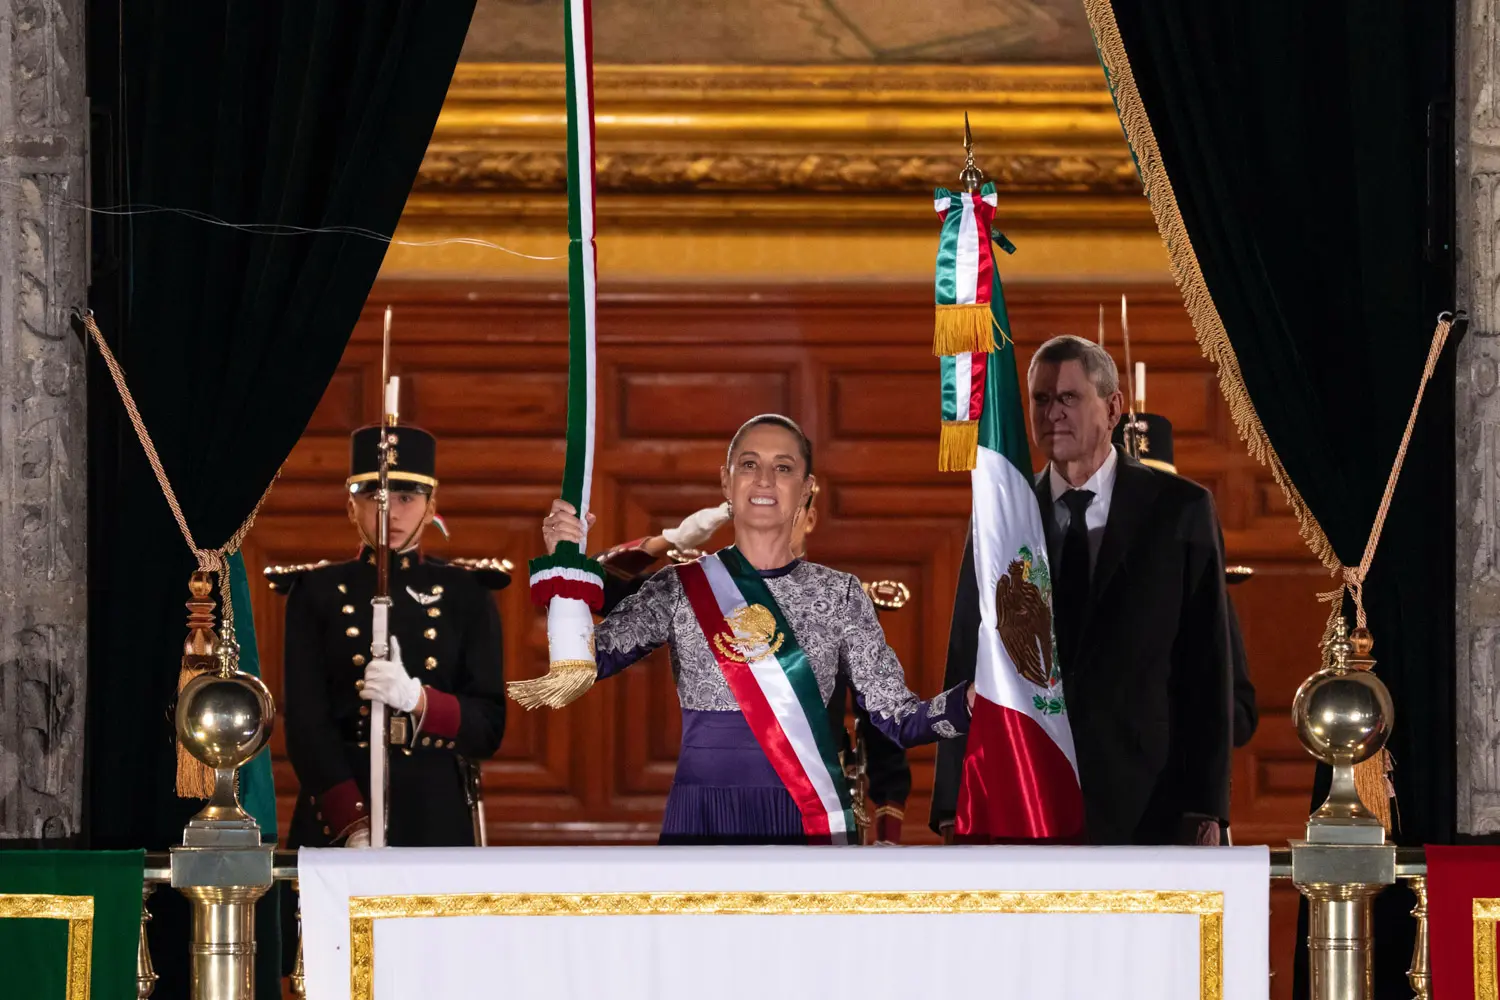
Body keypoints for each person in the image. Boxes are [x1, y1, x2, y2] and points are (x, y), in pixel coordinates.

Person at [530, 413, 969, 845]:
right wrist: (563, 561)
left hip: (806, 817)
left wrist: (975, 699)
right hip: (702, 816)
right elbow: (580, 666)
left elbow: (898, 719)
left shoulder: (840, 594)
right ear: (726, 481)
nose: (764, 479)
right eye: (749, 464)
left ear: (807, 489)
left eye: (783, 467)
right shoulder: (681, 588)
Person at [931, 336, 1232, 846]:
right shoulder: (1004, 515)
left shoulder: (1178, 509)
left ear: (1112, 407)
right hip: (1025, 792)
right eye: (1041, 400)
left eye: (1068, 398)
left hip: (1145, 800)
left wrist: (1206, 806)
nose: (1053, 414)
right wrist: (950, 798)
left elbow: (1207, 666)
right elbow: (967, 655)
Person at [595, 485, 915, 844]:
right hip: (720, 801)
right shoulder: (702, 589)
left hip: (813, 803)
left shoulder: (837, 598)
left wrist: (889, 829)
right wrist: (666, 539)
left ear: (809, 519)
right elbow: (598, 586)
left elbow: (879, 720)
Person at [272, 422, 508, 849]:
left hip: (435, 809)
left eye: (406, 498)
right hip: (340, 808)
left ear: (431, 504)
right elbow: (306, 725)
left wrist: (420, 702)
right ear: (351, 507)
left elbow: (489, 727)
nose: (390, 513)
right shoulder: (315, 593)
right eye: (374, 497)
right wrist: (352, 822)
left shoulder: (466, 592)